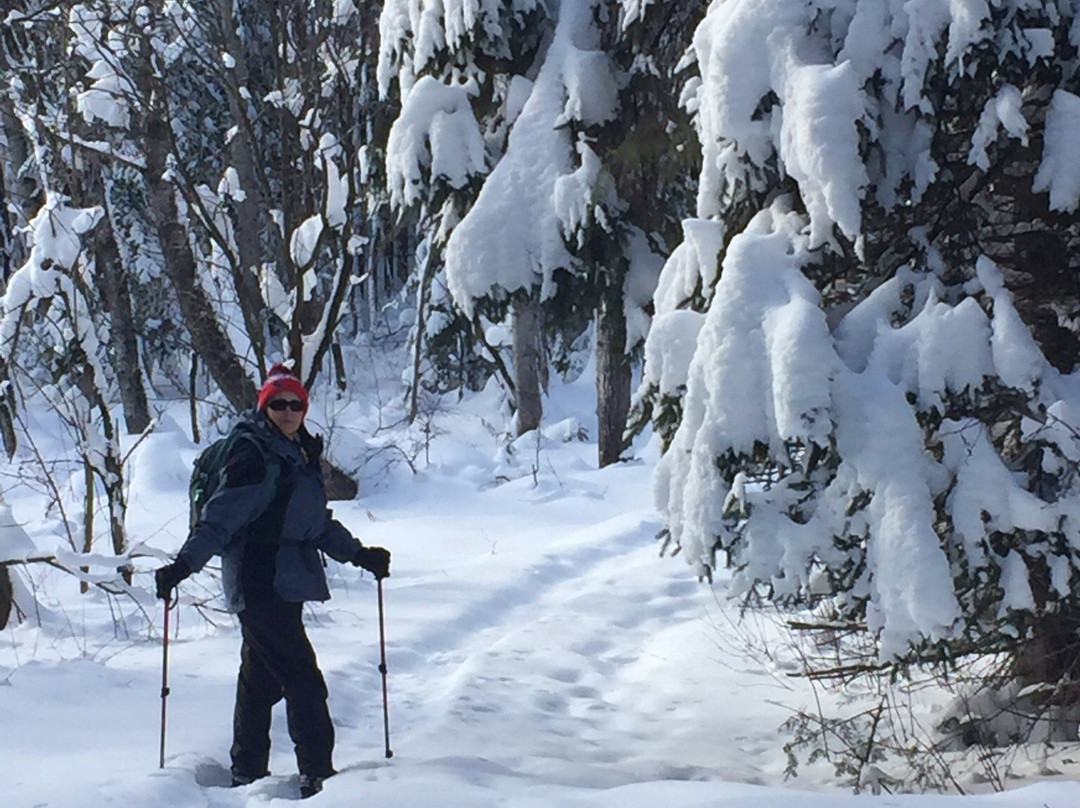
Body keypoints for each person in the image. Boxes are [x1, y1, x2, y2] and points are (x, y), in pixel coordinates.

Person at [155, 364, 391, 799]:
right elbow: (219, 520)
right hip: (260, 582)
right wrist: (183, 566)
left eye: (295, 404)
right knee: (303, 679)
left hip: (285, 583)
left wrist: (359, 554)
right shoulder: (254, 456)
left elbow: (313, 523)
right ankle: (317, 775)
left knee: (260, 679)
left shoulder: (297, 454)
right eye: (278, 404)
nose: (288, 411)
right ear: (265, 408)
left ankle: (246, 771)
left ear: (304, 409)